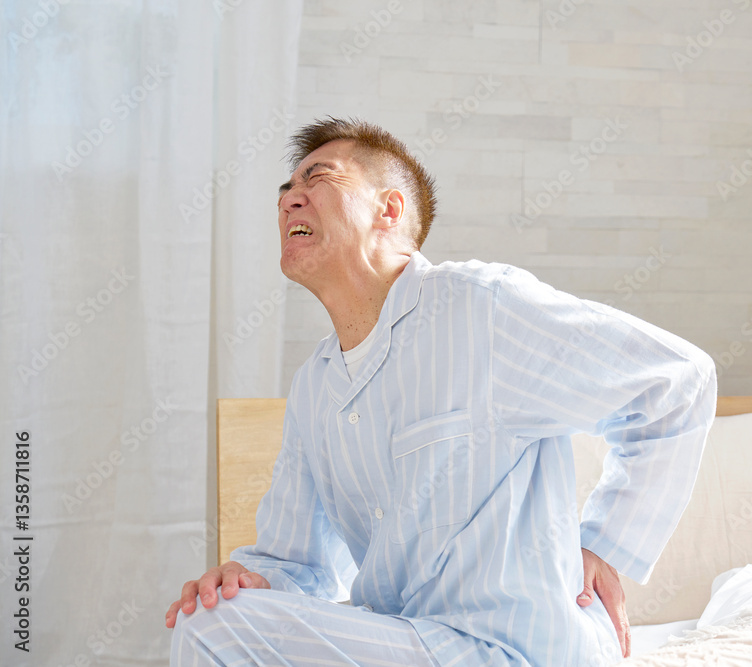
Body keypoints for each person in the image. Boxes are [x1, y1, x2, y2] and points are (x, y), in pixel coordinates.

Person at [166, 117, 717, 666]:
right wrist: (246, 582)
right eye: (286, 189)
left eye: (318, 178)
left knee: (211, 629)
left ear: (389, 209)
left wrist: (606, 545)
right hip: (411, 641)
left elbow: (676, 381)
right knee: (213, 614)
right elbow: (298, 565)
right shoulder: (314, 386)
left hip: (519, 649)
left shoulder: (481, 307)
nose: (289, 200)